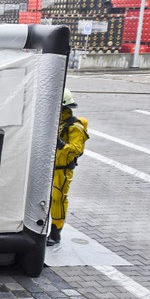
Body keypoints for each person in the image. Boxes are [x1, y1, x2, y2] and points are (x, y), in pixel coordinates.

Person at [48, 88, 89, 246]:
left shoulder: (74, 127)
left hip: (62, 170)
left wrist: (61, 144)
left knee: (58, 199)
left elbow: (76, 149)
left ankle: (56, 232)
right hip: (49, 168)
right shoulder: (56, 123)